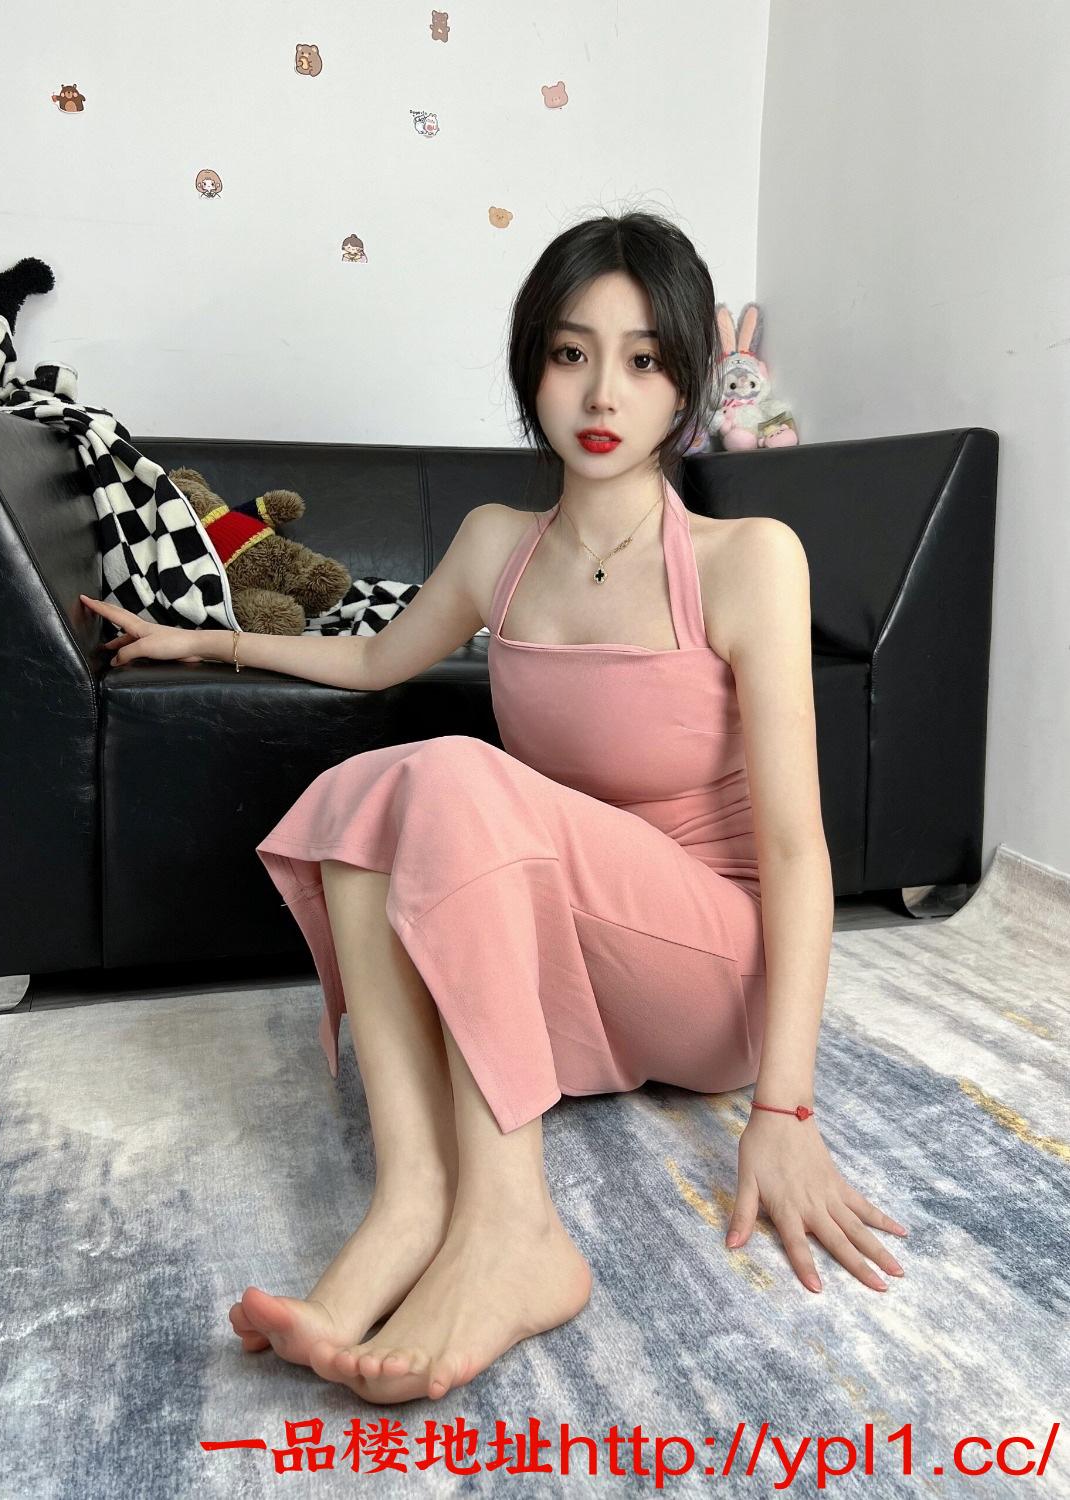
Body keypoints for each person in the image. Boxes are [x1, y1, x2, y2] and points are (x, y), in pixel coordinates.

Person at [80, 209, 908, 1407]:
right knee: (365, 793)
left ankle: (513, 1229)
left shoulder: (746, 559)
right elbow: (374, 662)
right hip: (575, 957)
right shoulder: (495, 546)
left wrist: (783, 1107)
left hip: (713, 970)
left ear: (685, 385)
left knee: (454, 770)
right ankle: (414, 1197)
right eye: (571, 354)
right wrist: (203, 639)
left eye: (643, 360)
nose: (601, 393)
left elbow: (793, 849)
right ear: (532, 368)